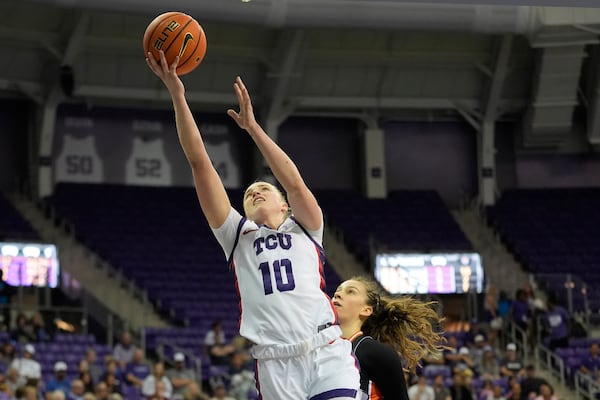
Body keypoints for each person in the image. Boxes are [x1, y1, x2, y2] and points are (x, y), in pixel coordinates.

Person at [146, 51, 360, 400]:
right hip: (275, 362)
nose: (256, 191)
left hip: (325, 349)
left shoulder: (306, 226)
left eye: (264, 189)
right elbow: (200, 163)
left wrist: (253, 128)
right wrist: (178, 94)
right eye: (248, 193)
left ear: (284, 205)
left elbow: (294, 181)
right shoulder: (237, 235)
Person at [333, 276, 445, 399]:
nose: (337, 294)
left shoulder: (375, 352)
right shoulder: (320, 348)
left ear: (366, 310)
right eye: (338, 291)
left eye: (350, 291)